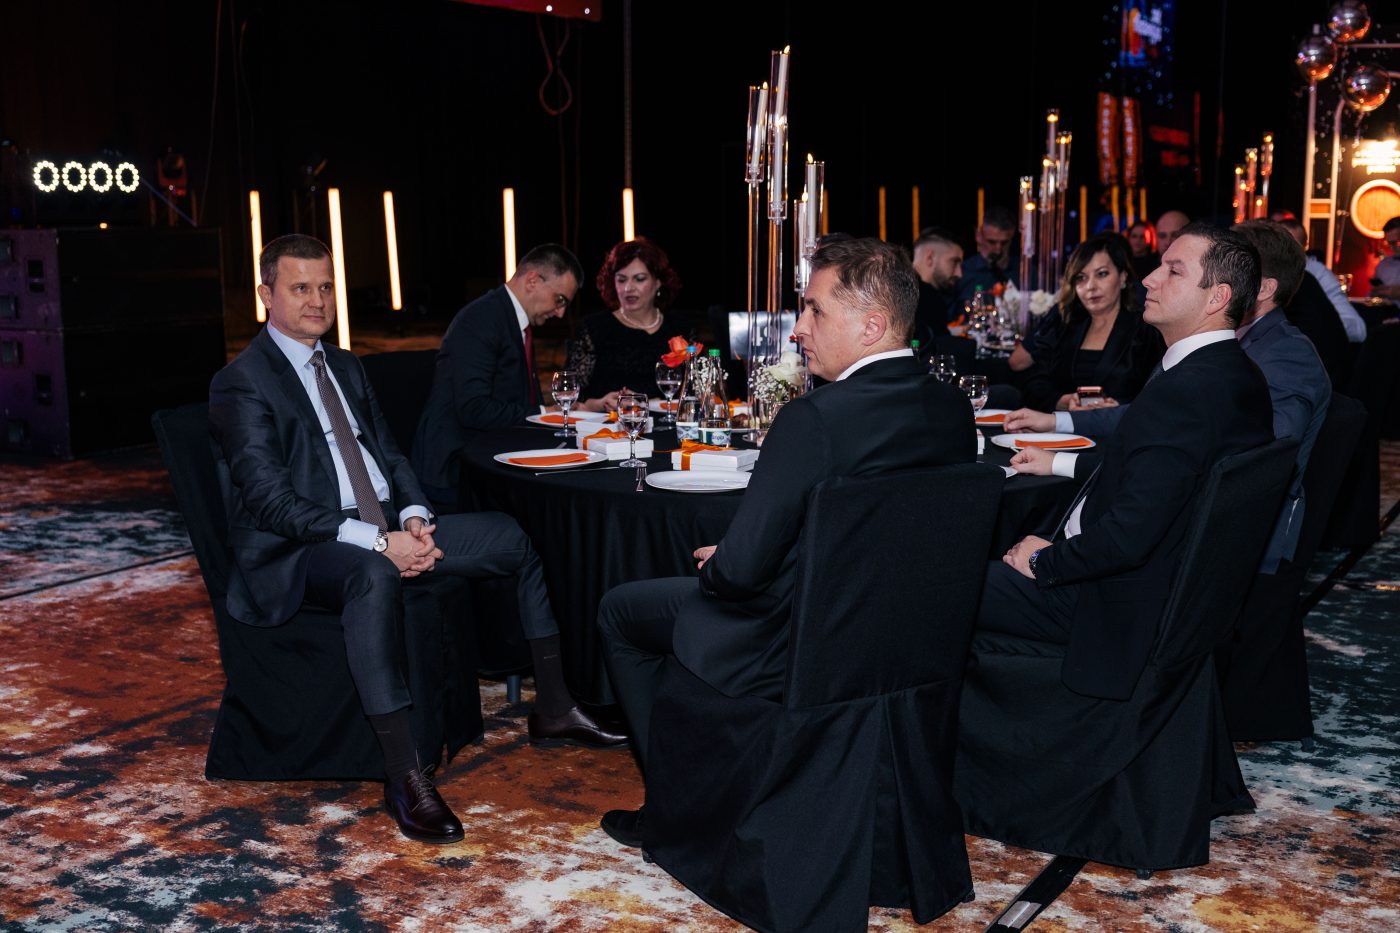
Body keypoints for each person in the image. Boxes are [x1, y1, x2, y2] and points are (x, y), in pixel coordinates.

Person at [209, 235, 625, 845]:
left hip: (380, 522)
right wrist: (378, 545)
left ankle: (556, 706)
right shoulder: (242, 381)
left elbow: (391, 455)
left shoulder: (345, 365)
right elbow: (272, 503)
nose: (317, 300)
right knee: (371, 574)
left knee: (514, 537)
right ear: (265, 294)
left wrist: (411, 516)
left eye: (326, 287)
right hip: (301, 545)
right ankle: (405, 774)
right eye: (300, 288)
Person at [593, 237, 975, 848]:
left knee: (620, 611)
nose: (798, 328)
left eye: (815, 310)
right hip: (911, 635)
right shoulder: (954, 410)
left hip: (798, 638)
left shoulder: (814, 418)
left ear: (872, 326)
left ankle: (674, 807)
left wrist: (723, 564)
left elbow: (740, 575)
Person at [981, 223, 1273, 701]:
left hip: (1106, 601)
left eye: (1173, 271)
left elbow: (1128, 537)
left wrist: (1043, 560)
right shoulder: (1236, 374)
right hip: (1163, 593)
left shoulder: (1185, 392)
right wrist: (1059, 464)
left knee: (937, 584)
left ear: (1217, 297)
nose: (1149, 279)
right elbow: (1165, 480)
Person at [413, 244, 585, 511]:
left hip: (492, 454)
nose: (560, 312)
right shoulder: (480, 319)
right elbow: (474, 409)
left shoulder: (512, 319)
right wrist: (545, 413)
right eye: (560, 299)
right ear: (533, 280)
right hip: (457, 470)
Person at [1016, 233, 1164, 412]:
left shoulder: (1146, 329)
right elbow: (1033, 383)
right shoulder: (1064, 322)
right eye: (1081, 277)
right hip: (1061, 426)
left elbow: (1160, 393)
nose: (1090, 287)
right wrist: (1062, 401)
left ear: (1123, 277)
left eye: (1102, 274)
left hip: (1121, 427)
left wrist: (1119, 410)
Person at [566, 237, 689, 404]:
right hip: (606, 420)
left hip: (669, 420)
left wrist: (648, 403)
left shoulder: (681, 328)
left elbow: (696, 392)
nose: (628, 288)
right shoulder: (593, 328)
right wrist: (600, 404)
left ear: (658, 282)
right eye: (621, 280)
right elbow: (570, 394)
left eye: (639, 279)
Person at [1278, 218, 1367, 343]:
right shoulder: (1263, 273)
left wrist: (1311, 327)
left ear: (1304, 248)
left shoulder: (1316, 273)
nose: (1284, 253)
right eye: (1278, 245)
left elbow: (1357, 330)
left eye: (1292, 247)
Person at [910, 226, 961, 349]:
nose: (959, 273)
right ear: (930, 258)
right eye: (954, 262)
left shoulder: (895, 288)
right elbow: (942, 351)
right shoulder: (929, 298)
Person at [957, 207, 1019, 304]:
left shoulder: (1024, 273)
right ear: (978, 236)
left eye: (1004, 243)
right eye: (991, 242)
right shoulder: (962, 273)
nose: (998, 250)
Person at [1371, 216, 1400, 299]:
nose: (1391, 247)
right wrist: (1376, 292)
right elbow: (1371, 294)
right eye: (1389, 243)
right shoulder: (1383, 265)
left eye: (1395, 242)